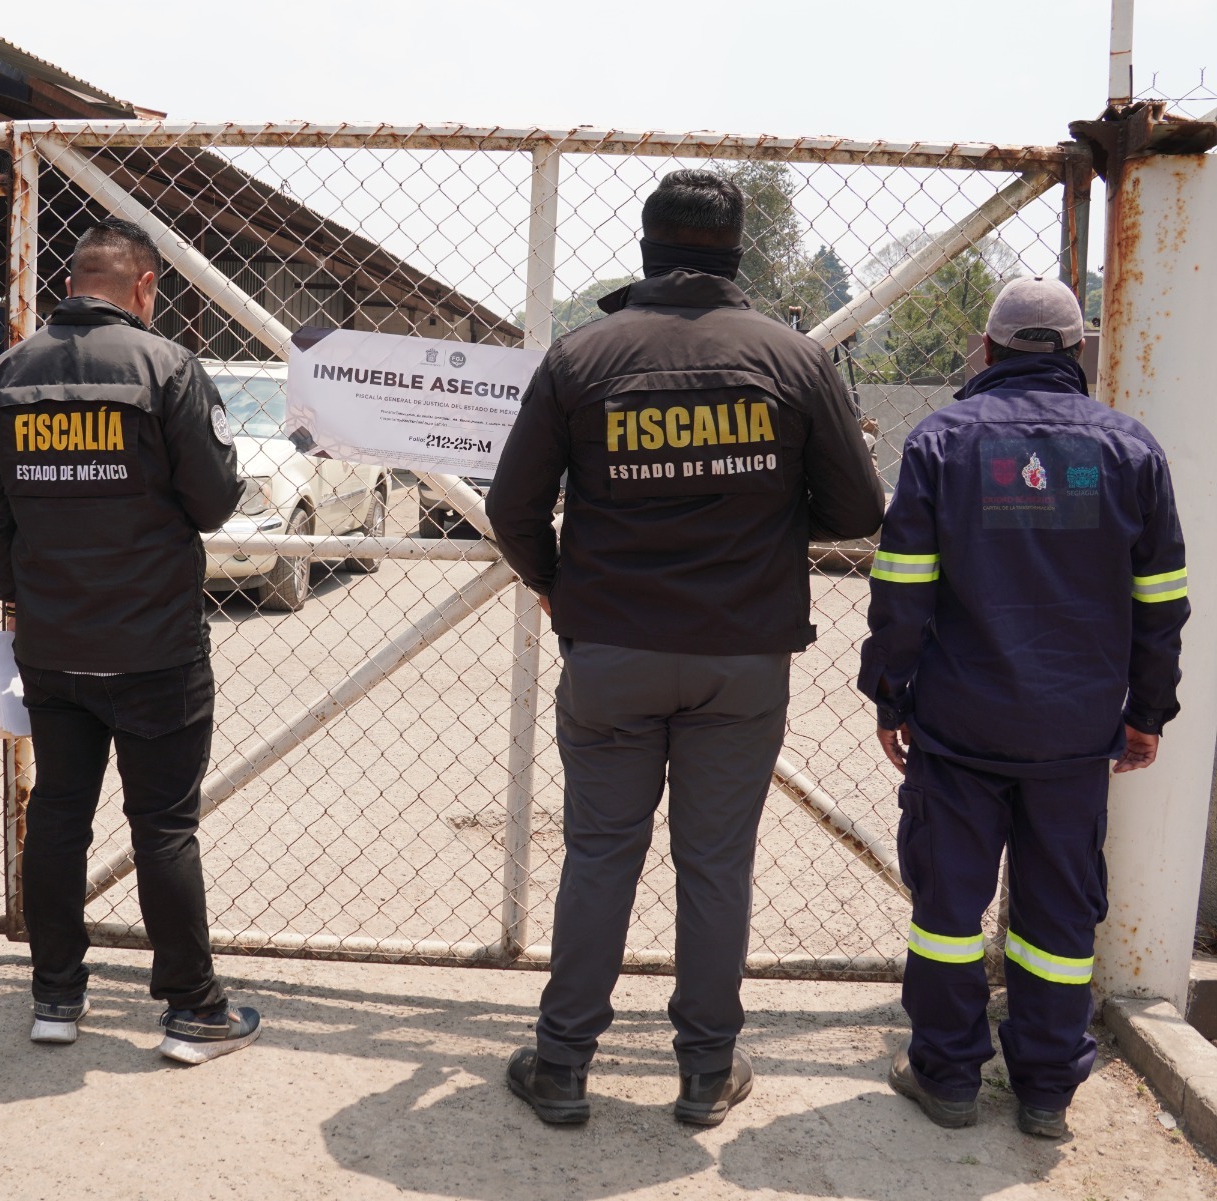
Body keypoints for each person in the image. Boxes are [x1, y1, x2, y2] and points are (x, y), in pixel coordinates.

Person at [486, 170, 885, 1126]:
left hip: (612, 650)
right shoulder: (793, 359)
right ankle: (706, 1071)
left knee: (598, 856)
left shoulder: (584, 356)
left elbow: (510, 506)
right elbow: (861, 509)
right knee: (716, 862)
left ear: (646, 248)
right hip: (740, 658)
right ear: (736, 253)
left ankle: (564, 1064)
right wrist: (767, 516)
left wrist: (554, 583)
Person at [858, 276, 1188, 1139]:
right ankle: (1045, 1089)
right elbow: (1161, 599)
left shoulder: (942, 442)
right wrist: (1148, 710)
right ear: (1076, 352)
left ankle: (949, 1076)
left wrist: (889, 694)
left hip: (960, 724)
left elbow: (901, 590)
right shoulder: (1131, 450)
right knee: (1058, 914)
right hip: (1075, 734)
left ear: (990, 349)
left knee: (948, 911)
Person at [0, 217, 260, 1062]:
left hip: (53, 645)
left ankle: (56, 996)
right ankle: (193, 1011)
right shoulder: (167, 368)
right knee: (163, 824)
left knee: (58, 810)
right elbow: (213, 504)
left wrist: (21, 600)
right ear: (144, 286)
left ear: (71, 283)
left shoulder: (2, 377)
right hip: (155, 645)